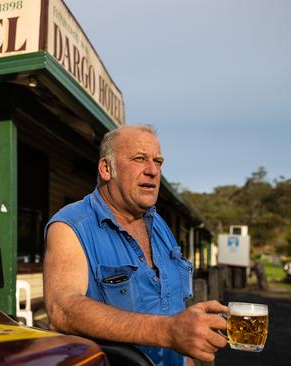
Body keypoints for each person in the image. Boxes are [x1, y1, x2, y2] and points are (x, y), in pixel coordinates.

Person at [43, 124, 227, 366]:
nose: (152, 170)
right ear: (106, 168)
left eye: (158, 162)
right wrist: (168, 331)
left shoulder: (158, 223)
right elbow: (62, 309)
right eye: (140, 159)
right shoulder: (71, 226)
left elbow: (173, 306)